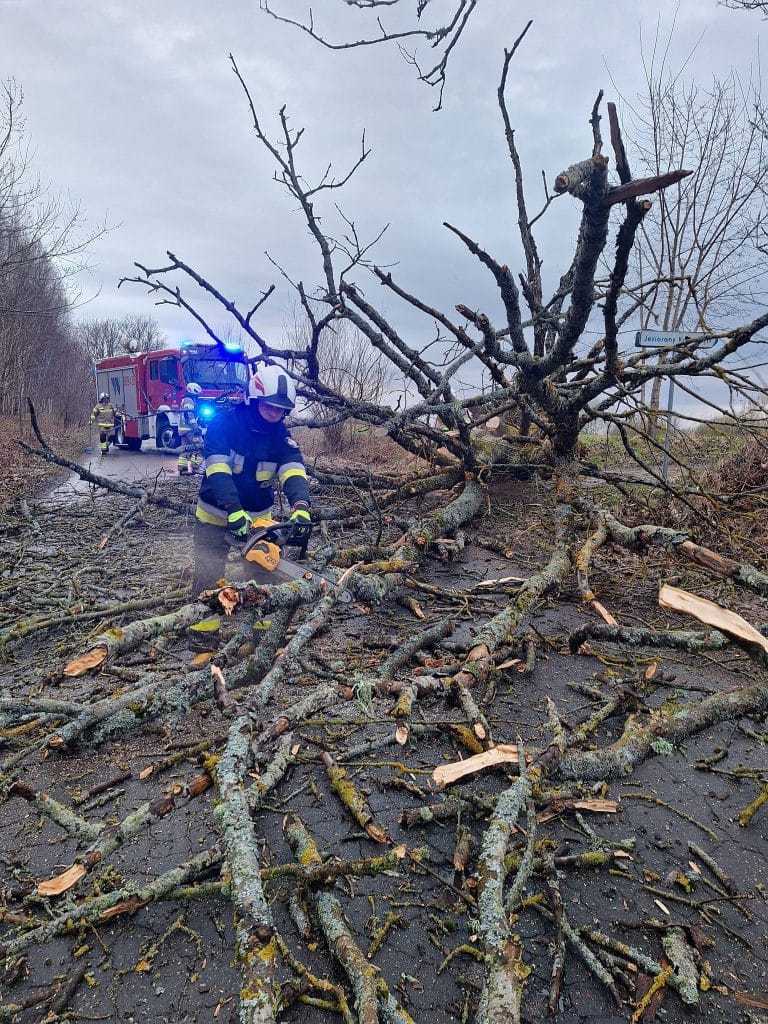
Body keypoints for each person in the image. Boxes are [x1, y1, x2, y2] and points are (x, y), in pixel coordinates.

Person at [191, 363, 311, 593]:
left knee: (262, 578)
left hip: (258, 522)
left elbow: (293, 472)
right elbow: (217, 471)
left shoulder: (281, 438)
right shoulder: (224, 424)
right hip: (214, 516)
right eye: (269, 405)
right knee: (208, 575)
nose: (274, 413)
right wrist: (233, 509)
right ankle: (202, 627)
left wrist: (302, 507)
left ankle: (261, 627)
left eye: (280, 408)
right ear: (254, 399)